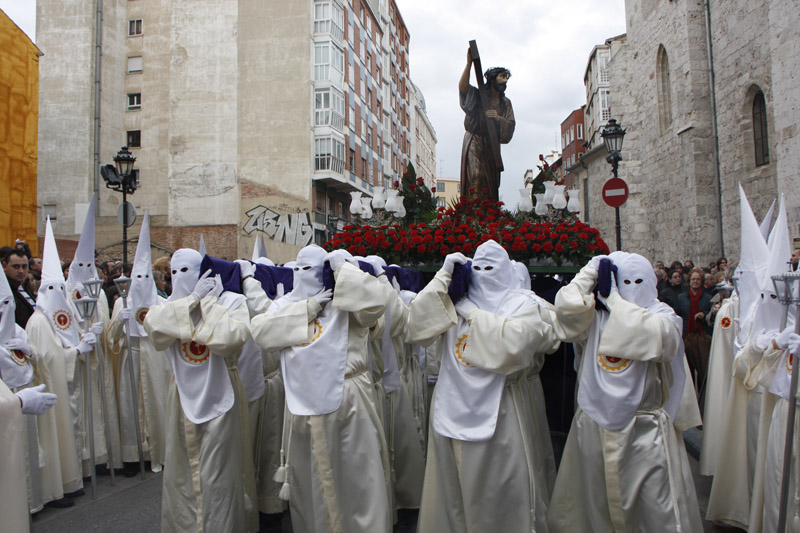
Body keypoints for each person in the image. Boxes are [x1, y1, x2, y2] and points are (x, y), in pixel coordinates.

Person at [545, 252, 702, 532]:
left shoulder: (662, 314)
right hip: (595, 425)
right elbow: (565, 311)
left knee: (651, 508)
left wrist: (616, 302)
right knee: (594, 505)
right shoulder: (592, 316)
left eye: (637, 280)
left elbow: (656, 338)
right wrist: (589, 273)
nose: (630, 287)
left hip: (645, 431)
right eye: (622, 281)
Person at [408, 240, 558, 533]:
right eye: (478, 267)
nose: (484, 273)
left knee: (498, 495)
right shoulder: (451, 301)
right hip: (450, 409)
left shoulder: (521, 303)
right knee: (449, 499)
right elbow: (415, 326)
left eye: (491, 267)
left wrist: (472, 314)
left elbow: (512, 346)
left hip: (501, 411)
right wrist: (443, 279)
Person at [249, 245, 392, 533]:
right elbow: (262, 332)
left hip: (348, 402)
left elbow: (375, 303)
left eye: (312, 269)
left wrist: (343, 269)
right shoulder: (287, 303)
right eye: (299, 269)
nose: (304, 275)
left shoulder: (348, 302)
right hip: (302, 407)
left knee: (357, 482)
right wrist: (309, 307)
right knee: (310, 485)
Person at [143, 248, 256, 532]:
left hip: (223, 395)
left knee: (220, 472)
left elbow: (233, 338)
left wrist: (209, 305)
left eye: (187, 270)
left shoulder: (232, 301)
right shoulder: (170, 305)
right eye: (175, 273)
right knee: (183, 471)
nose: (181, 278)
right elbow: (154, 328)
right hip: (181, 395)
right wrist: (192, 301)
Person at [27, 219, 99, 507]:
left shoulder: (65, 313)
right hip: (54, 389)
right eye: (52, 287)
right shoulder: (37, 322)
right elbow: (48, 359)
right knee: (58, 432)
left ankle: (75, 476)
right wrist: (76, 353)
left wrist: (84, 339)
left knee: (73, 428)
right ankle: (57, 488)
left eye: (61, 287)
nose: (58, 291)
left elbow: (68, 338)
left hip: (72, 385)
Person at [106, 211, 169, 474]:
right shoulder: (123, 303)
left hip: (155, 359)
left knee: (157, 404)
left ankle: (160, 451)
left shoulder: (163, 303)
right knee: (129, 406)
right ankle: (132, 456)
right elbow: (111, 338)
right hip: (131, 357)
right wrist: (121, 320)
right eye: (138, 279)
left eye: (147, 279)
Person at [458, 50, 515, 201]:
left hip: (492, 145)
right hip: (475, 140)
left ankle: (488, 216)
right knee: (475, 176)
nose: (505, 81)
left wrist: (497, 118)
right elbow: (463, 89)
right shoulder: (479, 96)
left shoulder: (505, 103)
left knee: (491, 183)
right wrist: (469, 64)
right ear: (492, 79)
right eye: (502, 76)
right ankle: (473, 213)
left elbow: (510, 125)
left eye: (506, 77)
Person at [676, 268, 713, 388]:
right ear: (689, 281)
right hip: (687, 335)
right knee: (689, 369)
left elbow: (711, 313)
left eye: (698, 279)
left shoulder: (708, 298)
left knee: (703, 368)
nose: (695, 281)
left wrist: (704, 314)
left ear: (701, 281)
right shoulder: (681, 297)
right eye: (693, 279)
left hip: (702, 336)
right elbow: (678, 314)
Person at [3, 248, 36, 327]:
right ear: (5, 266)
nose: (21, 271)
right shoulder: (4, 291)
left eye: (24, 267)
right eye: (16, 266)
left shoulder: (25, 286)